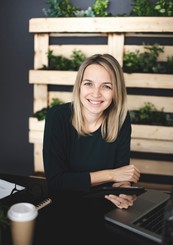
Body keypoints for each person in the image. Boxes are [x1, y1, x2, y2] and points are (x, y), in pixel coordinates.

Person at [43, 53, 140, 209]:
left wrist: (124, 190)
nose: (96, 93)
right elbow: (56, 181)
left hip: (105, 204)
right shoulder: (57, 116)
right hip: (64, 205)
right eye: (89, 84)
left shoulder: (121, 119)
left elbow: (122, 174)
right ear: (79, 86)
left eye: (106, 86)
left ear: (116, 91)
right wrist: (112, 174)